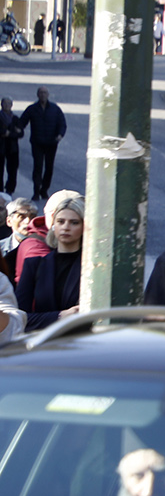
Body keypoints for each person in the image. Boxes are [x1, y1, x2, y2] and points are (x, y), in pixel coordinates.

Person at [19, 189, 83, 330]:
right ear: (53, 225)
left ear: (84, 226)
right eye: (61, 221)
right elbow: (19, 318)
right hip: (44, 343)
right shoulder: (34, 265)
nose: (66, 227)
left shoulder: (91, 267)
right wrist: (59, 316)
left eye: (74, 222)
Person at [24, 87, 64, 200]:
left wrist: (60, 134)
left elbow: (62, 123)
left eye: (45, 93)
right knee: (38, 166)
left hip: (51, 143)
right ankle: (36, 191)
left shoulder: (55, 109)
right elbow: (23, 122)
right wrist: (15, 130)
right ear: (37, 95)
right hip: (37, 142)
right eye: (41, 93)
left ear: (48, 95)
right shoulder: (32, 109)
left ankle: (44, 189)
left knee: (49, 168)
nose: (43, 95)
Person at [0, 96, 19, 196]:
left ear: (11, 105)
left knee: (12, 169)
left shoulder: (15, 118)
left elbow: (20, 133)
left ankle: (10, 189)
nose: (6, 106)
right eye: (5, 103)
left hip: (12, 148)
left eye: (8, 104)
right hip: (1, 147)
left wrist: (9, 134)